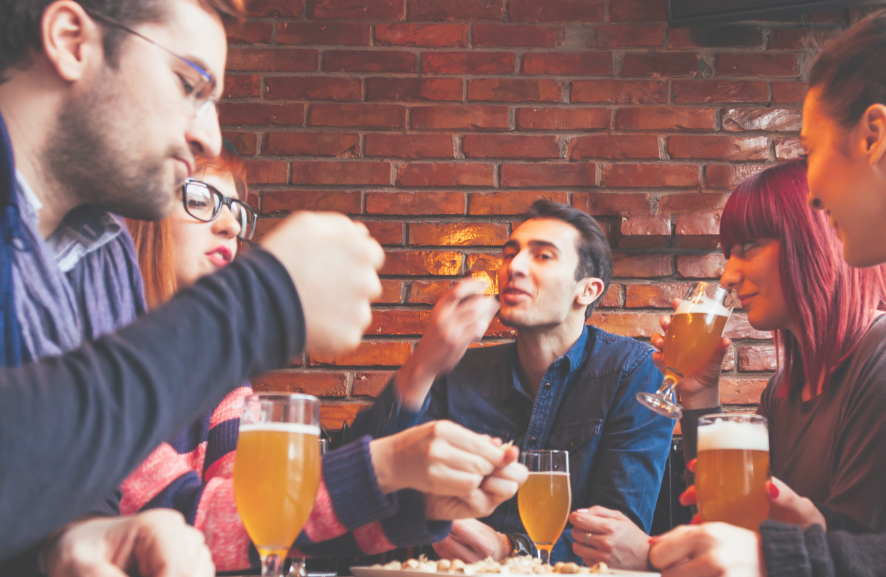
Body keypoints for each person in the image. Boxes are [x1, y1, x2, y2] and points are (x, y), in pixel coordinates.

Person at [0, 0, 519, 572]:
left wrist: (75, 541)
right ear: (71, 40)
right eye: (189, 83)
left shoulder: (98, 251)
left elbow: (144, 498)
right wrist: (262, 302)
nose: (210, 135)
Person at [647, 2, 886, 576]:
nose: (813, 191)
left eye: (809, 149)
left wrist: (792, 557)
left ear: (874, 135)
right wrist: (821, 531)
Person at [119, 149, 527, 572]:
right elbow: (183, 520)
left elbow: (257, 519)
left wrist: (422, 503)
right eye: (201, 200)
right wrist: (386, 466)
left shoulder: (217, 378)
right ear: (134, 214)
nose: (231, 225)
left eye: (237, 210)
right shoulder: (94, 353)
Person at [570, 161, 886, 570]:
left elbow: (864, 553)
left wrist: (651, 555)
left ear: (814, 239)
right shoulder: (783, 389)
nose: (728, 275)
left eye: (746, 249)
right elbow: (728, 526)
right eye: (729, 254)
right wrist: (698, 396)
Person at [352, 200, 676, 564]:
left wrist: (508, 548)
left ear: (586, 290)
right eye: (510, 254)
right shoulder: (459, 369)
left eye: (543, 256)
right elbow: (358, 487)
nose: (513, 267)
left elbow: (615, 537)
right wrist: (421, 364)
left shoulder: (633, 370)